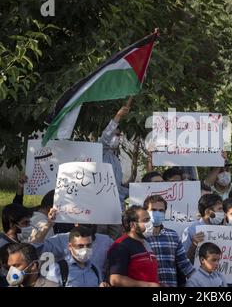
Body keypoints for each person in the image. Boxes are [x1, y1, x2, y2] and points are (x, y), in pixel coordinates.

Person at [143, 195, 195, 287]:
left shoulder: (173, 235)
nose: (157, 213)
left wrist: (204, 280)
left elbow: (184, 264)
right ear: (145, 212)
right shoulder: (139, 237)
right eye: (153, 210)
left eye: (161, 210)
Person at [98, 105, 131, 239]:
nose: (116, 137)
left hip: (116, 210)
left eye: (118, 135)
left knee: (114, 243)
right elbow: (105, 137)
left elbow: (118, 189)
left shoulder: (115, 159)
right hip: (100, 209)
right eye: (114, 134)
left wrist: (136, 190)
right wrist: (118, 117)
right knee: (99, 241)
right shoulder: (101, 152)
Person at [107, 206, 160, 287]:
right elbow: (115, 279)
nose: (150, 223)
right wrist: (147, 285)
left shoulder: (146, 243)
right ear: (132, 225)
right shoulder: (121, 246)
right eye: (145, 220)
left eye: (149, 219)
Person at [42, 223, 113, 278]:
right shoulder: (60, 239)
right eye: (80, 246)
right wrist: (49, 223)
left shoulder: (107, 241)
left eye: (89, 245)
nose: (85, 250)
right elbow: (37, 248)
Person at [181, 194, 223, 262]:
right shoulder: (191, 230)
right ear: (208, 212)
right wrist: (194, 244)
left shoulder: (224, 229)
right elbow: (183, 259)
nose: (222, 212)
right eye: (219, 209)